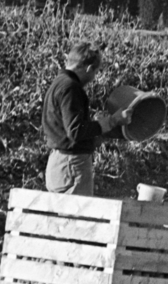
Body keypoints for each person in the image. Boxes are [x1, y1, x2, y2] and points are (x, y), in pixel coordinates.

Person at [41, 42, 132, 196]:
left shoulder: (58, 83)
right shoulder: (71, 88)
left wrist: (98, 128)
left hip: (58, 163)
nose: (93, 77)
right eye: (95, 72)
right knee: (78, 218)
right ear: (89, 68)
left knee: (61, 218)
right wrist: (113, 121)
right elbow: (76, 131)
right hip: (72, 164)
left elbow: (65, 128)